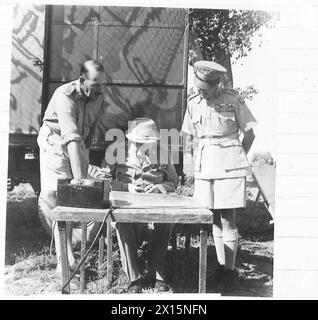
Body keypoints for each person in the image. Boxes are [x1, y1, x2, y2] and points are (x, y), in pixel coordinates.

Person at [182, 60, 257, 283]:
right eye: (199, 88)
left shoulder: (232, 99)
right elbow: (189, 136)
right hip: (206, 165)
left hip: (230, 164)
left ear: (217, 84)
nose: (201, 93)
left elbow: (250, 134)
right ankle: (220, 265)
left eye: (205, 90)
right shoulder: (194, 103)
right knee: (213, 217)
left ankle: (229, 270)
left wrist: (238, 156)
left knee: (227, 219)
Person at [37, 60, 107, 286]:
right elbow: (70, 138)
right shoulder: (64, 95)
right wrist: (79, 183)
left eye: (102, 84)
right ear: (82, 80)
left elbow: (88, 133)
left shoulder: (99, 97)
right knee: (60, 196)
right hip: (56, 142)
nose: (100, 89)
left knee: (78, 195)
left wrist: (84, 166)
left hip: (78, 144)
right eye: (95, 84)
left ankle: (71, 255)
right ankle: (63, 265)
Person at [90, 118, 178, 293]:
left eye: (147, 143)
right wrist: (127, 187)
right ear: (130, 140)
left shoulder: (162, 152)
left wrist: (159, 188)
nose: (142, 147)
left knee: (165, 223)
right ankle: (134, 278)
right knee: (123, 224)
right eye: (138, 143)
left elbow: (173, 182)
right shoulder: (116, 152)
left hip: (154, 207)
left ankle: (158, 274)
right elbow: (103, 182)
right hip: (126, 207)